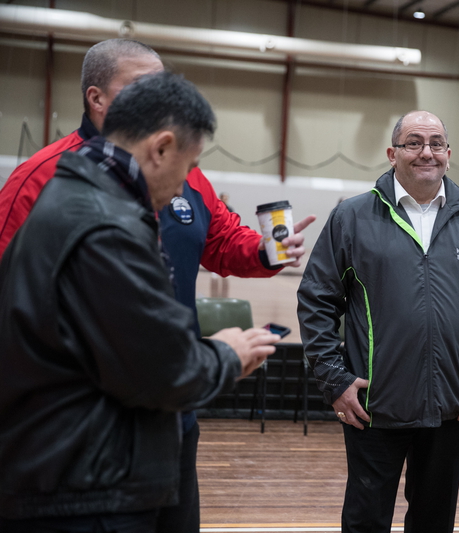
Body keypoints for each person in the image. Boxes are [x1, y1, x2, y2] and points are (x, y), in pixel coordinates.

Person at [0, 39, 315, 533]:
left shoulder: (106, 180)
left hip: (158, 417)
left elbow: (222, 239)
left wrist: (263, 251)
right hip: (86, 445)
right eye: (142, 87)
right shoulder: (61, 191)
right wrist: (224, 355)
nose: (186, 179)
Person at [297, 110, 459, 533]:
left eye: (436, 143)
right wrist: (334, 379)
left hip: (452, 404)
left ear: (449, 154)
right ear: (392, 153)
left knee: (434, 522)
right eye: (414, 142)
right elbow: (316, 300)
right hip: (374, 403)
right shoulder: (352, 217)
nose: (427, 152)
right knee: (365, 521)